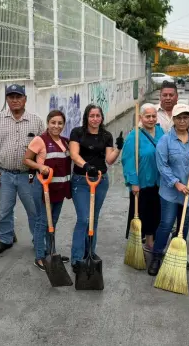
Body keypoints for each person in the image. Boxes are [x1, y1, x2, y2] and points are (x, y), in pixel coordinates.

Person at [148, 104, 189, 276]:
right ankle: (157, 256)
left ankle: (177, 255)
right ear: (173, 120)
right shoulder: (165, 141)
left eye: (185, 117)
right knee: (166, 224)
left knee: (183, 225)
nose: (182, 121)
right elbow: (162, 166)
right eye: (179, 118)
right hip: (170, 192)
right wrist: (176, 183)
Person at [0, 84, 45, 256]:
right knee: (4, 210)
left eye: (19, 96)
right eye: (11, 97)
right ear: (7, 100)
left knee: (34, 210)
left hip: (29, 176)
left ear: (25, 99)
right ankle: (5, 239)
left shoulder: (36, 121)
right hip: (5, 174)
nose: (15, 100)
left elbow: (43, 148)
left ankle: (38, 241)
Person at [69, 104, 123, 268]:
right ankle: (77, 258)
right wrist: (86, 166)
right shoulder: (77, 132)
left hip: (100, 181)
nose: (94, 119)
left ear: (101, 118)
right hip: (81, 180)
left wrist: (118, 148)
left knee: (94, 219)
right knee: (84, 219)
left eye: (97, 116)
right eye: (91, 116)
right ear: (86, 117)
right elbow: (74, 154)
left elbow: (109, 160)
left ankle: (90, 251)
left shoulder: (106, 135)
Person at [23, 109, 72, 271]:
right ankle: (39, 256)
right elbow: (27, 160)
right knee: (42, 222)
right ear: (48, 123)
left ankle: (52, 253)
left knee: (53, 222)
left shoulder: (65, 142)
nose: (56, 126)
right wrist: (40, 166)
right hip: (43, 188)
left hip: (59, 189)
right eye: (53, 122)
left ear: (64, 125)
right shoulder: (40, 140)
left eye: (60, 123)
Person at [122, 104, 165, 251]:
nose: (151, 119)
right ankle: (136, 244)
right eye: (148, 116)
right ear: (141, 117)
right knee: (140, 213)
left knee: (155, 213)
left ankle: (150, 242)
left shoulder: (160, 131)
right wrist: (133, 182)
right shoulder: (134, 136)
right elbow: (128, 161)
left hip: (158, 181)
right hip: (141, 183)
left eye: (154, 116)